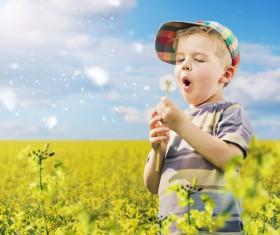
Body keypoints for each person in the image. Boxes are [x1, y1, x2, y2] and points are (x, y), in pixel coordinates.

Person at [143, 20, 252, 234]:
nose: (185, 64)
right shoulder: (174, 121)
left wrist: (182, 126)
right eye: (180, 58)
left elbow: (230, 160)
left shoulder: (230, 111)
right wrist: (159, 150)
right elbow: (153, 186)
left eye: (199, 59)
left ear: (225, 74)